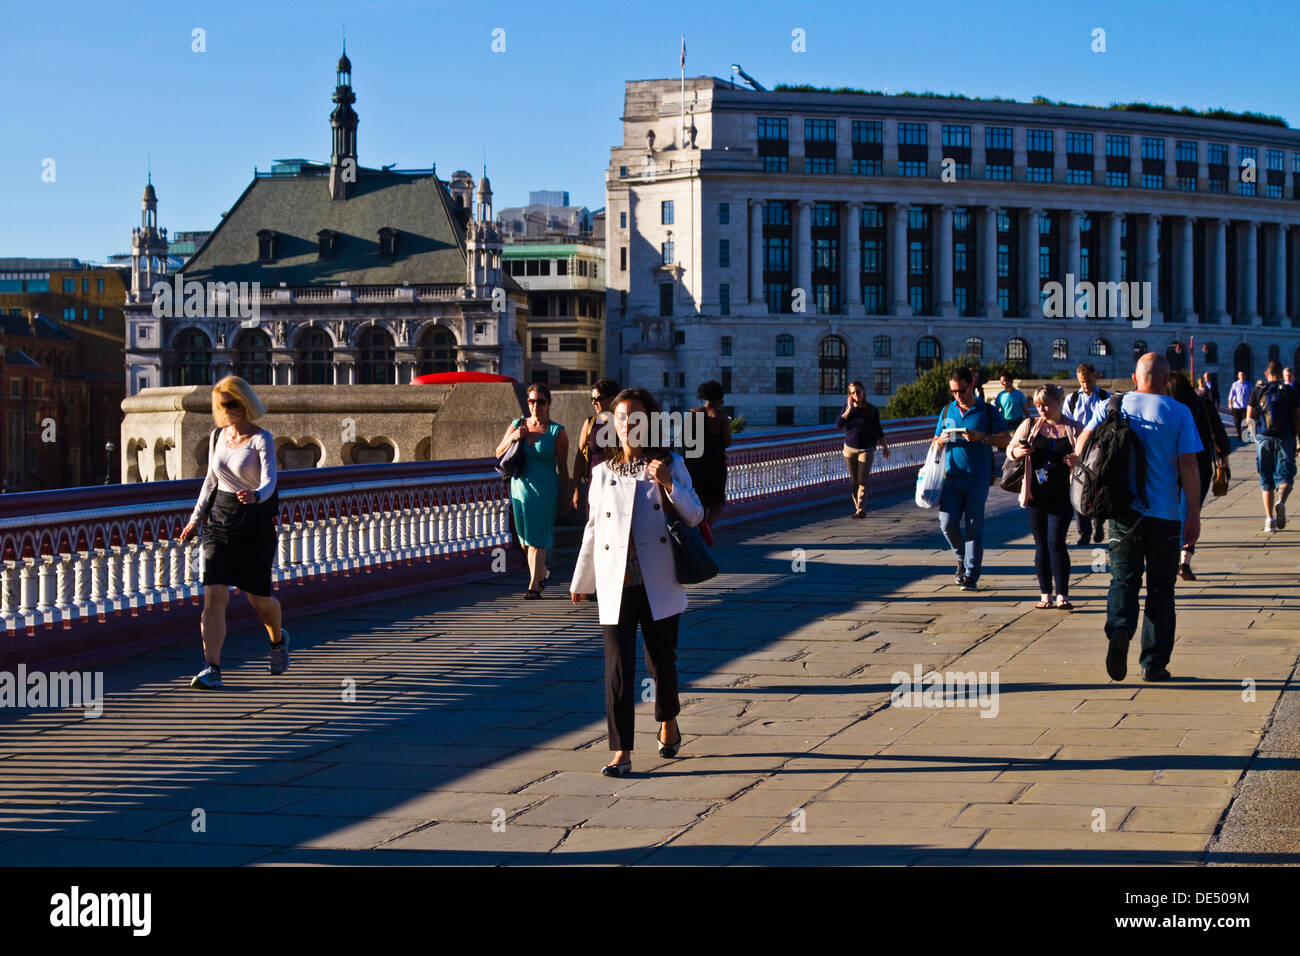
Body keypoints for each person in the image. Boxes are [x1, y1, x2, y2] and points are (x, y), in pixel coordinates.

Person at [570, 387, 704, 777]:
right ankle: (621, 751)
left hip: (658, 580)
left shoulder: (670, 464)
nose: (629, 424)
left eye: (637, 417)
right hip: (617, 583)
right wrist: (582, 579)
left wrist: (667, 483)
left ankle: (668, 720)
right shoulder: (601, 473)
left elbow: (694, 515)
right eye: (622, 417)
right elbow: (593, 531)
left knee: (662, 662)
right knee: (617, 669)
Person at [1075, 354, 1202, 683]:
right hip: (1165, 516)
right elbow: (1189, 466)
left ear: (1135, 377)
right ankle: (1153, 663)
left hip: (1122, 512)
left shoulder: (1113, 405)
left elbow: (1082, 446)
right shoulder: (1179, 412)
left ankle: (1119, 630)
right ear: (1165, 379)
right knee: (1161, 590)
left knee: (1123, 581)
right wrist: (1194, 515)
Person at [178, 376, 287, 689]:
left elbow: (270, 482)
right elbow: (210, 482)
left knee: (259, 599)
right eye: (224, 405)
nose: (230, 410)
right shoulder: (217, 437)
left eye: (235, 404)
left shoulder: (261, 439)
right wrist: (195, 519)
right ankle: (212, 668)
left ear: (247, 403)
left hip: (253, 523)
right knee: (213, 594)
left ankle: (278, 641)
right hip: (220, 521)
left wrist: (255, 496)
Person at [932, 366, 1010, 591]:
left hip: (978, 477)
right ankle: (962, 558)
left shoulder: (987, 411)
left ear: (972, 386)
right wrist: (941, 441)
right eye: (954, 392)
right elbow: (935, 441)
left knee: (974, 527)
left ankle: (970, 574)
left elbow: (1005, 441)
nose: (958, 396)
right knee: (947, 524)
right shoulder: (947, 411)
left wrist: (982, 438)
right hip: (951, 477)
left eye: (962, 391)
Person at [1008, 385, 1081, 609]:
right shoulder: (1030, 425)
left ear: (1060, 402)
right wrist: (1019, 452)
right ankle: (1045, 594)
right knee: (1041, 544)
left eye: (1046, 405)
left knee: (1056, 543)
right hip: (1035, 494)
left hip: (1062, 494)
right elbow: (1010, 450)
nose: (1041, 409)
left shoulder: (1075, 428)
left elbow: (1090, 458)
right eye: (1038, 405)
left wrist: (1077, 460)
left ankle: (1062, 595)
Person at [496, 383, 569, 598]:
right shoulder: (517, 425)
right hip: (519, 489)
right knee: (524, 541)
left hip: (544, 490)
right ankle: (542, 572)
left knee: (537, 539)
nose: (535, 405)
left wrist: (566, 494)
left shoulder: (557, 432)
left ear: (548, 404)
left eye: (540, 401)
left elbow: (563, 466)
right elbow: (498, 451)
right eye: (531, 401)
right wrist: (514, 437)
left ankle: (533, 586)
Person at [1165, 371, 1229, 580]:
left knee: (1170, 514)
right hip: (1200, 467)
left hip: (1170, 467)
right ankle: (1185, 560)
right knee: (1191, 513)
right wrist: (1225, 463)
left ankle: (1172, 557)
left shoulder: (1168, 407)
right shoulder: (1203, 404)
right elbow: (1218, 435)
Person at [1245, 361, 1300, 533]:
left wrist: (1255, 438)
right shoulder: (1290, 391)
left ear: (1267, 374)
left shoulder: (1258, 390)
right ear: (1280, 373)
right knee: (1286, 477)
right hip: (1284, 437)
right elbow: (1297, 419)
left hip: (1264, 438)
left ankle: (1269, 520)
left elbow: (1248, 419)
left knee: (1265, 479)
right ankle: (1281, 501)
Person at [1065, 363, 1110, 546]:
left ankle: (1099, 521)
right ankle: (1084, 532)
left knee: (1099, 487)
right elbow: (1065, 422)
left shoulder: (1105, 397)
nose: (1085, 385)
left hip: (1099, 449)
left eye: (1089, 381)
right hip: (1078, 448)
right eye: (1082, 382)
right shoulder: (1072, 399)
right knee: (1078, 488)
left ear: (1096, 377)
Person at [837, 380, 889, 518]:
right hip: (849, 449)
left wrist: (885, 446)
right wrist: (849, 409)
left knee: (863, 479)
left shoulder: (871, 410)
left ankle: (860, 508)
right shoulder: (847, 409)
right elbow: (839, 423)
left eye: (858, 392)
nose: (856, 395)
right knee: (854, 481)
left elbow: (878, 429)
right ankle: (857, 508)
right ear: (849, 395)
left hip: (867, 448)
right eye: (852, 393)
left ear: (863, 392)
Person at [685, 380, 732, 525]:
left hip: (694, 465)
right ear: (719, 398)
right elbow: (727, 441)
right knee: (717, 502)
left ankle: (699, 526)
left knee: (699, 499)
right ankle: (707, 527)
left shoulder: (692, 413)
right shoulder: (720, 417)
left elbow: (685, 440)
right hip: (715, 464)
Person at [572, 377, 620, 516]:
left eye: (598, 398)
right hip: (595, 485)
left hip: (618, 486)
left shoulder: (624, 424)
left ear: (613, 398)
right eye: (592, 398)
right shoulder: (590, 423)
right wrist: (575, 489)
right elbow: (580, 457)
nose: (594, 402)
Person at [1228, 370, 1252, 439]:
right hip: (1236, 406)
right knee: (1237, 422)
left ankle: (1243, 434)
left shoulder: (1249, 384)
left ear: (1245, 376)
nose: (1242, 376)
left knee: (1245, 421)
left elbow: (1251, 395)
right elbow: (1231, 395)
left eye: (1243, 375)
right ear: (1238, 376)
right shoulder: (1235, 384)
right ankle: (1239, 433)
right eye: (1240, 375)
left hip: (1245, 406)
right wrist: (1230, 403)